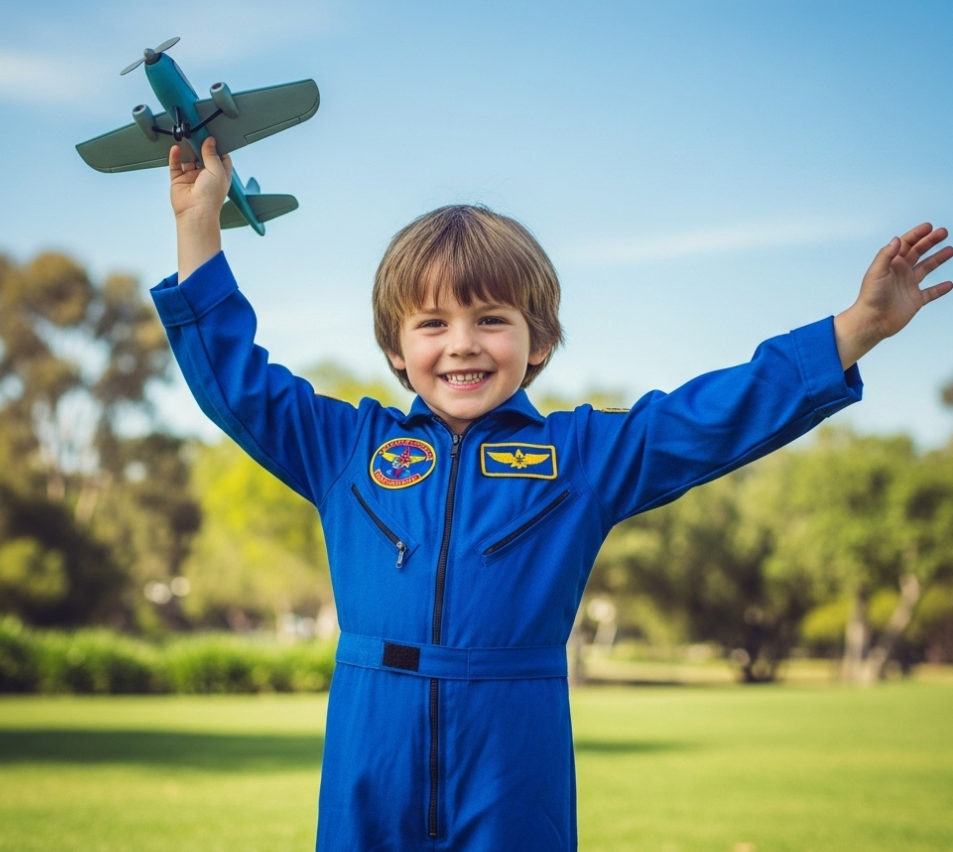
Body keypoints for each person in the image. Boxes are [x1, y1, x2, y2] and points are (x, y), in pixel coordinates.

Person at [151, 136, 951, 852]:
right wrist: (198, 227)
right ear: (395, 348)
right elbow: (237, 384)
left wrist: (855, 330)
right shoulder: (344, 448)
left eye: (491, 319)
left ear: (538, 341)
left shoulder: (581, 457)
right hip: (372, 736)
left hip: (513, 745)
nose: (462, 344)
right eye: (431, 324)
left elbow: (711, 419)